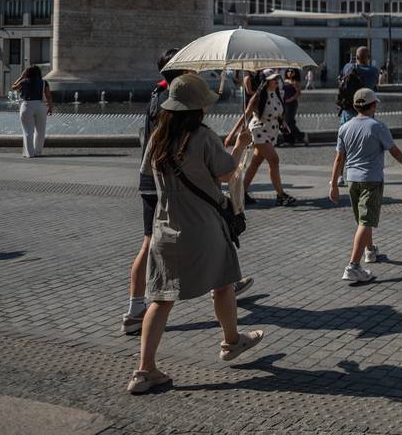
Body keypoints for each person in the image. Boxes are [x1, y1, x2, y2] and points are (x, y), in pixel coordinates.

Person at [128, 74, 264, 394]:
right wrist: (242, 145)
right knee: (223, 283)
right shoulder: (203, 136)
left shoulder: (157, 136)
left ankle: (144, 370)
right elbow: (227, 172)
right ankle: (231, 341)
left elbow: (150, 173)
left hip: (166, 228)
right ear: (199, 109)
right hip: (203, 227)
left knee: (160, 300)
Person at [329, 88, 402, 282]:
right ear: (372, 105)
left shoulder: (345, 127)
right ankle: (353, 266)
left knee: (363, 220)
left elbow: (338, 159)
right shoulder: (377, 126)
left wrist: (333, 184)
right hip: (371, 180)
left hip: (352, 180)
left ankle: (370, 251)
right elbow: (394, 150)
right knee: (365, 222)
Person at [228, 70, 295, 206]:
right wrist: (231, 134)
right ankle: (280, 195)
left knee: (256, 162)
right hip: (259, 130)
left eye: (276, 78)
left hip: (271, 132)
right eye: (272, 79)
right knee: (274, 160)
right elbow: (245, 115)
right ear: (265, 81)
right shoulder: (258, 96)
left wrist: (284, 123)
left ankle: (242, 192)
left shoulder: (276, 94)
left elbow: (278, 113)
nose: (276, 80)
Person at [13, 65, 52, 158]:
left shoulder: (23, 82)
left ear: (27, 73)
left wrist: (21, 77)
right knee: (40, 131)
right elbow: (48, 96)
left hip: (26, 106)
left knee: (27, 131)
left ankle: (30, 153)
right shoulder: (44, 83)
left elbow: (13, 87)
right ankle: (38, 152)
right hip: (40, 106)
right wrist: (50, 107)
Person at [281, 68, 306, 147]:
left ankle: (302, 136)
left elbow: (298, 93)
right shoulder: (285, 81)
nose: (290, 73)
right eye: (288, 71)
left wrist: (291, 99)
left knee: (289, 121)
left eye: (292, 71)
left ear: (295, 73)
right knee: (284, 122)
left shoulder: (296, 82)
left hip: (291, 103)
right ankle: (289, 140)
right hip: (284, 103)